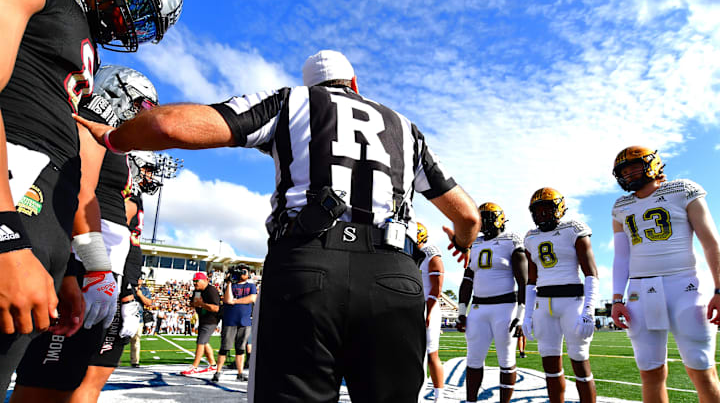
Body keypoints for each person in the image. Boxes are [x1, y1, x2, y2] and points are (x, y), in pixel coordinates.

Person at [73, 49, 480, 403]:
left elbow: (170, 125)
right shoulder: (404, 127)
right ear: (354, 83)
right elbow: (467, 215)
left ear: (312, 84)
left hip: (310, 264)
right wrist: (462, 241)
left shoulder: (292, 102)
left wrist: (112, 137)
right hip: (393, 274)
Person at [0, 0, 180, 395]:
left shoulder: (83, 39)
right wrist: (5, 235)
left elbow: (73, 184)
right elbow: (85, 191)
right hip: (15, 217)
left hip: (45, 228)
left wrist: (71, 272)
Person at [610, 146, 720, 403]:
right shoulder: (621, 206)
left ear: (654, 164)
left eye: (634, 166)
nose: (629, 173)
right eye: (624, 170)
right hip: (639, 293)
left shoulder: (682, 190)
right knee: (650, 372)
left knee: (701, 370)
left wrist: (719, 288)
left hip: (685, 285)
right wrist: (616, 298)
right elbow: (622, 256)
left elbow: (710, 242)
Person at [521, 188, 598, 403]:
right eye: (538, 210)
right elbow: (531, 280)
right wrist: (527, 315)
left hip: (572, 303)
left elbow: (591, 273)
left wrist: (589, 311)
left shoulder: (573, 229)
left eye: (547, 208)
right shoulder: (531, 237)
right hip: (544, 306)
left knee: (580, 364)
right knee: (550, 369)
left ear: (560, 209)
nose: (542, 214)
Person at [455, 202, 527, 403]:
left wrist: (521, 315)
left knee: (506, 360)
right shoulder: (475, 243)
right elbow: (467, 279)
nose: (484, 223)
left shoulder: (511, 240)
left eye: (488, 218)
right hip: (478, 308)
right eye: (482, 219)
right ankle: (470, 401)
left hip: (505, 308)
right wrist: (462, 311)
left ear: (500, 219)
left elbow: (523, 281)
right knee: (473, 359)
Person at [416, 223, 445, 403]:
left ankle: (438, 397)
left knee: (431, 354)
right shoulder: (409, 253)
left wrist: (428, 310)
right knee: (414, 355)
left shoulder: (430, 252)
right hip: (411, 307)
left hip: (428, 307)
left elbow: (437, 287)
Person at [212, 266, 257, 382]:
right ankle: (218, 371)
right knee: (225, 347)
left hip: (245, 320)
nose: (243, 274)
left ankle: (240, 372)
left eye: (244, 272)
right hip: (230, 320)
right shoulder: (231, 285)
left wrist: (235, 301)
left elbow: (252, 298)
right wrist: (229, 283)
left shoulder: (251, 285)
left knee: (240, 348)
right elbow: (227, 300)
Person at [182, 271, 220, 376]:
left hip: (211, 320)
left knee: (201, 342)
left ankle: (194, 366)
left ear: (204, 280)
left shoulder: (211, 290)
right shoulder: (197, 291)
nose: (195, 284)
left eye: (197, 282)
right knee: (205, 342)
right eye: (193, 282)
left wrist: (201, 304)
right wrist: (193, 303)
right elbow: (192, 303)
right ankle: (212, 365)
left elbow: (216, 308)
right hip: (202, 319)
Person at [131, 277, 153, 367]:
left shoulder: (145, 290)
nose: (139, 280)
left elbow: (149, 303)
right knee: (121, 341)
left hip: (138, 318)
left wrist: (140, 295)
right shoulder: (129, 288)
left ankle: (135, 361)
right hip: (127, 317)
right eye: (138, 277)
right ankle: (116, 361)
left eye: (141, 278)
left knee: (136, 341)